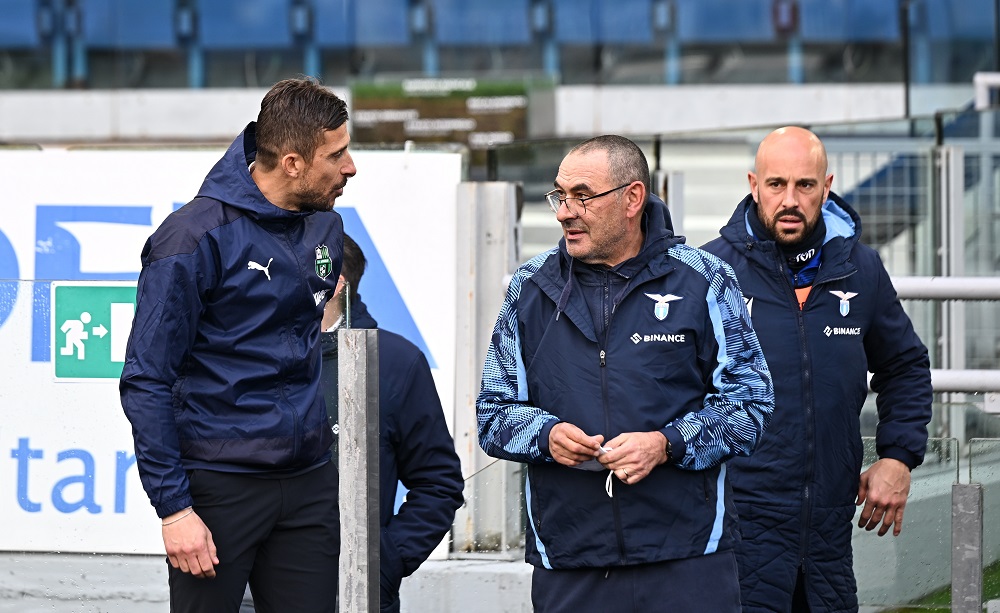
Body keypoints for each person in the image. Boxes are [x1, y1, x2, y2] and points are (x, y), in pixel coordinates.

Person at [476, 134, 775, 612]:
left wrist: (666, 445)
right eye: (560, 195)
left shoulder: (705, 280)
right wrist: (546, 435)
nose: (563, 212)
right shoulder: (528, 290)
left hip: (687, 558)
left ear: (632, 198)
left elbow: (751, 405)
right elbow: (493, 415)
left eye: (582, 196)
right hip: (570, 561)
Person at [120, 77, 356, 613]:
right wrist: (174, 509)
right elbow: (146, 380)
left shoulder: (326, 225)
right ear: (293, 161)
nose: (350, 167)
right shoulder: (191, 239)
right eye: (337, 154)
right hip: (220, 486)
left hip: (309, 480)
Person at [701, 126, 933, 612]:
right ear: (753, 184)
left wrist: (898, 456)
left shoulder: (860, 270)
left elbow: (906, 366)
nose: (790, 199)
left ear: (826, 187)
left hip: (829, 534)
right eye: (776, 184)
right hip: (739, 530)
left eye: (805, 186)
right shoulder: (709, 271)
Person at [240, 234, 465, 613]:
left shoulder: (393, 363)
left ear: (334, 282)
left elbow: (438, 483)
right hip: (245, 591)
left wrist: (383, 561)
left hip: (348, 594)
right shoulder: (241, 354)